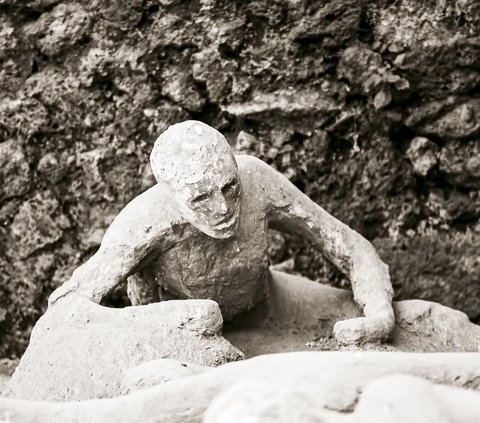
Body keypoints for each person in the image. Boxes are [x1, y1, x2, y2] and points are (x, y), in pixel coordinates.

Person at [49, 120, 394, 345]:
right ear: (172, 196)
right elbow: (67, 306)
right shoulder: (145, 221)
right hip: (179, 340)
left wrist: (379, 313)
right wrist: (168, 321)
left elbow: (347, 243)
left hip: (267, 307)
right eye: (201, 198)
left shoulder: (256, 179)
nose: (223, 209)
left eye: (230, 187)